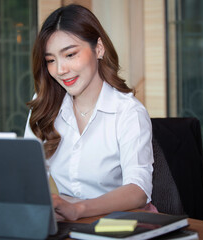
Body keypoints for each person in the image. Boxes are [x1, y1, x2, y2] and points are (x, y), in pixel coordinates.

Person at [24, 4, 155, 221]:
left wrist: (79, 209)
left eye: (70, 54)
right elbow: (27, 175)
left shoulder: (128, 112)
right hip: (67, 223)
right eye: (50, 60)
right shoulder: (45, 105)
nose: (60, 69)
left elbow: (138, 190)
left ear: (99, 48)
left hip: (121, 223)